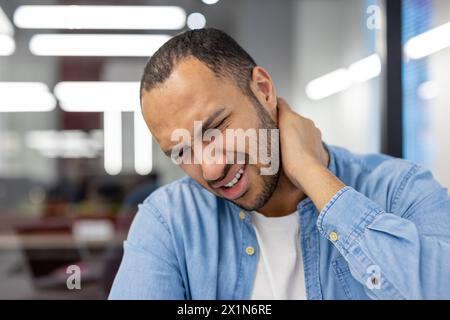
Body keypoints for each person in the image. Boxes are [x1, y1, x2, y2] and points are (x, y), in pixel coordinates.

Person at [109, 28, 450, 300]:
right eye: (181, 152)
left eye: (215, 129)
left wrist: (311, 173)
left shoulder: (401, 190)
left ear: (263, 89)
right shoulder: (169, 220)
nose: (211, 170)